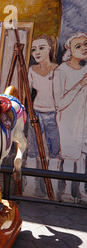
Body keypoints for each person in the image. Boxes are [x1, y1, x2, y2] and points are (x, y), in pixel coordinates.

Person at [24, 34, 61, 199]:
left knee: (54, 151)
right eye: (33, 49)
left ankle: (51, 188)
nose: (36, 52)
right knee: (32, 150)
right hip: (36, 114)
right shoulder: (32, 70)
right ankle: (31, 188)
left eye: (41, 48)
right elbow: (28, 94)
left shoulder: (58, 70)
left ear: (50, 49)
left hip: (54, 115)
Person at [53, 32, 87, 203]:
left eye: (85, 44)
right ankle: (67, 192)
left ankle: (81, 191)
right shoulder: (61, 71)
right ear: (69, 50)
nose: (84, 48)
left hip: (83, 119)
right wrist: (80, 84)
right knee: (68, 155)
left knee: (82, 155)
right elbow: (59, 102)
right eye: (78, 46)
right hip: (67, 119)